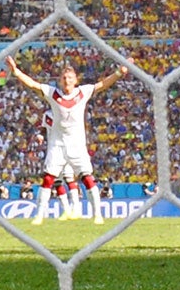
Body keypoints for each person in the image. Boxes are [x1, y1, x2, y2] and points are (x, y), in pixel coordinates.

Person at [9, 59, 124, 225]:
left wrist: (119, 73)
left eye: (70, 77)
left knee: (87, 178)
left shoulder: (83, 92)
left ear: (76, 80)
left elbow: (102, 84)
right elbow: (33, 85)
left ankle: (97, 215)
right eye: (64, 77)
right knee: (48, 179)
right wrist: (16, 71)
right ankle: (39, 215)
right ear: (60, 80)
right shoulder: (52, 93)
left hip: (76, 144)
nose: (67, 80)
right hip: (57, 144)